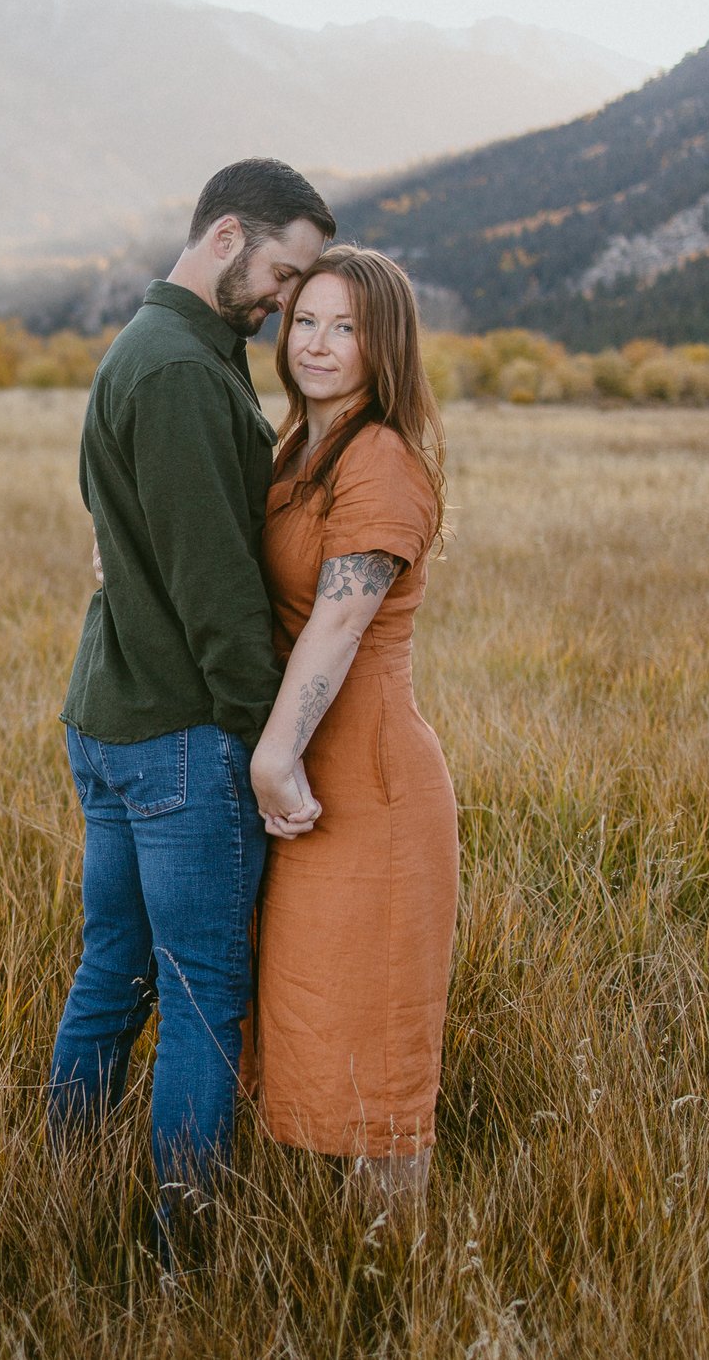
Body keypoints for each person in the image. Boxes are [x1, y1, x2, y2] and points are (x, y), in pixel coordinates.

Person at [48, 158, 332, 1215]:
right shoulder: (174, 368)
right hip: (175, 732)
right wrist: (273, 745)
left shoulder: (172, 346)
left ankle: (68, 1195)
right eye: (281, 273)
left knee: (115, 969)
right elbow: (216, 592)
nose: (287, 300)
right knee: (203, 993)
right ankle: (183, 1244)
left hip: (118, 717)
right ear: (225, 236)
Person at [246, 246, 456, 1216]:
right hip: (299, 779)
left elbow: (338, 617)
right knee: (299, 1014)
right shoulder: (297, 445)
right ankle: (312, 1249)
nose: (318, 344)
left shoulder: (379, 456)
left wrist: (275, 755)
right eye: (305, 322)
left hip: (364, 787)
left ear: (384, 346)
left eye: (345, 327)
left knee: (371, 1026)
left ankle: (391, 1273)